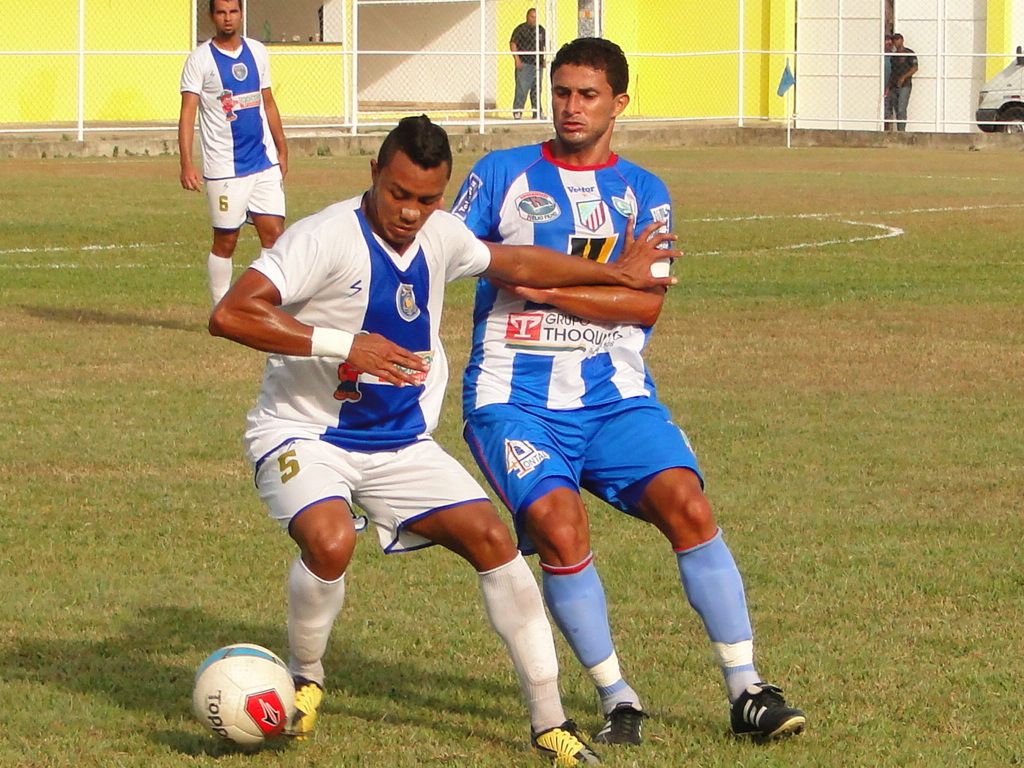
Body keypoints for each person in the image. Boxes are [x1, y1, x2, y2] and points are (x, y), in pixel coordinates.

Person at [208, 115, 677, 764]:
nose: (410, 212)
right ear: (374, 174)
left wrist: (616, 277)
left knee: (495, 542)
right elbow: (230, 313)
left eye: (427, 199)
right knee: (331, 539)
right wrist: (348, 346)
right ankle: (307, 677)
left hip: (400, 445)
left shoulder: (441, 235)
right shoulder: (322, 238)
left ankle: (548, 724)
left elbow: (514, 259)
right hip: (303, 433)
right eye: (398, 193)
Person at [452, 37, 807, 746]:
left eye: (588, 94)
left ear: (619, 101)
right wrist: (614, 277)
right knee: (560, 526)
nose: (571, 107)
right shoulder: (500, 175)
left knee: (689, 504)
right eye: (561, 92)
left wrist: (541, 283)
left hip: (615, 397)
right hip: (511, 399)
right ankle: (618, 697)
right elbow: (455, 257)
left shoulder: (644, 193)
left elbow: (645, 310)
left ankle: (748, 689)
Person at [179, 0, 288, 305]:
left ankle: (268, 305)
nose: (228, 18)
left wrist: (282, 147)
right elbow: (188, 114)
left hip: (263, 162)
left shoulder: (257, 51)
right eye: (221, 12)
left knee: (275, 236)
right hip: (225, 168)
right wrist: (187, 163)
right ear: (212, 16)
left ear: (241, 14)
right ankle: (220, 310)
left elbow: (268, 102)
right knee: (226, 241)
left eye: (233, 12)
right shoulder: (200, 60)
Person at [510, 8, 547, 120]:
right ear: (527, 16)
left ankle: (537, 112)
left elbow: (543, 45)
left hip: (537, 64)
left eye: (536, 17)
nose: (534, 19)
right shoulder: (521, 29)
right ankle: (518, 111)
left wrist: (544, 58)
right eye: (532, 16)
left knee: (537, 89)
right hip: (525, 63)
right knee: (522, 88)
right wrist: (517, 59)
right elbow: (513, 43)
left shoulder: (541, 30)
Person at [888, 33, 918, 132]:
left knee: (901, 108)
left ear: (902, 40)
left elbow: (915, 68)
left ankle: (902, 132)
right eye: (894, 40)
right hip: (894, 86)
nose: (896, 42)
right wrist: (888, 86)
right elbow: (892, 72)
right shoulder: (894, 57)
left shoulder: (909, 53)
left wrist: (904, 78)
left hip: (905, 86)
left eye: (897, 39)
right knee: (896, 110)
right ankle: (899, 131)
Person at [883, 34, 896, 130]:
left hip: (890, 86)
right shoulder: (879, 55)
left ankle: (887, 129)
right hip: (879, 84)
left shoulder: (893, 57)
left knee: (888, 109)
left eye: (890, 43)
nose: (888, 44)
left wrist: (889, 86)